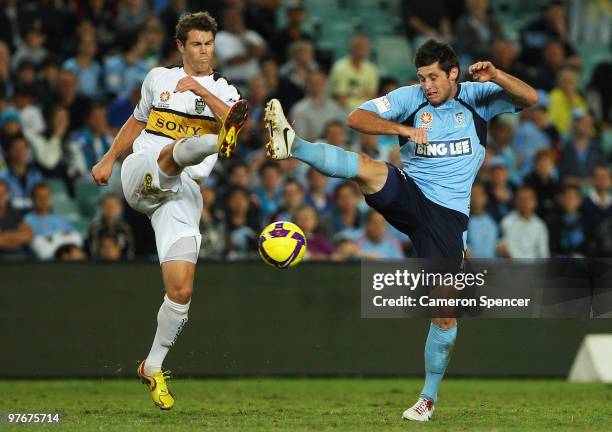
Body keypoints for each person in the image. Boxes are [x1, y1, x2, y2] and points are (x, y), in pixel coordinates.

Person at [263, 39, 537, 421]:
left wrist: (497, 75)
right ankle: (294, 145)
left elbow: (531, 97)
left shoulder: (478, 96)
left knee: (444, 314)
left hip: (447, 217)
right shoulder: (410, 99)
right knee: (368, 169)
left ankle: (427, 398)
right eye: (422, 77)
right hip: (411, 192)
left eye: (434, 77)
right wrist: (402, 130)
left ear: (453, 73)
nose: (427, 85)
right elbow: (356, 118)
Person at [91, 12, 249, 411]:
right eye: (196, 44)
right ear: (181, 46)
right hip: (141, 172)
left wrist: (199, 88)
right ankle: (216, 144)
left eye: (209, 44)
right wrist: (109, 158)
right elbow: (136, 121)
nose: (203, 51)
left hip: (182, 196)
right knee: (170, 153)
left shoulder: (224, 90)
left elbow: (232, 115)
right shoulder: (157, 78)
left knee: (181, 291)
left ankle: (152, 365)